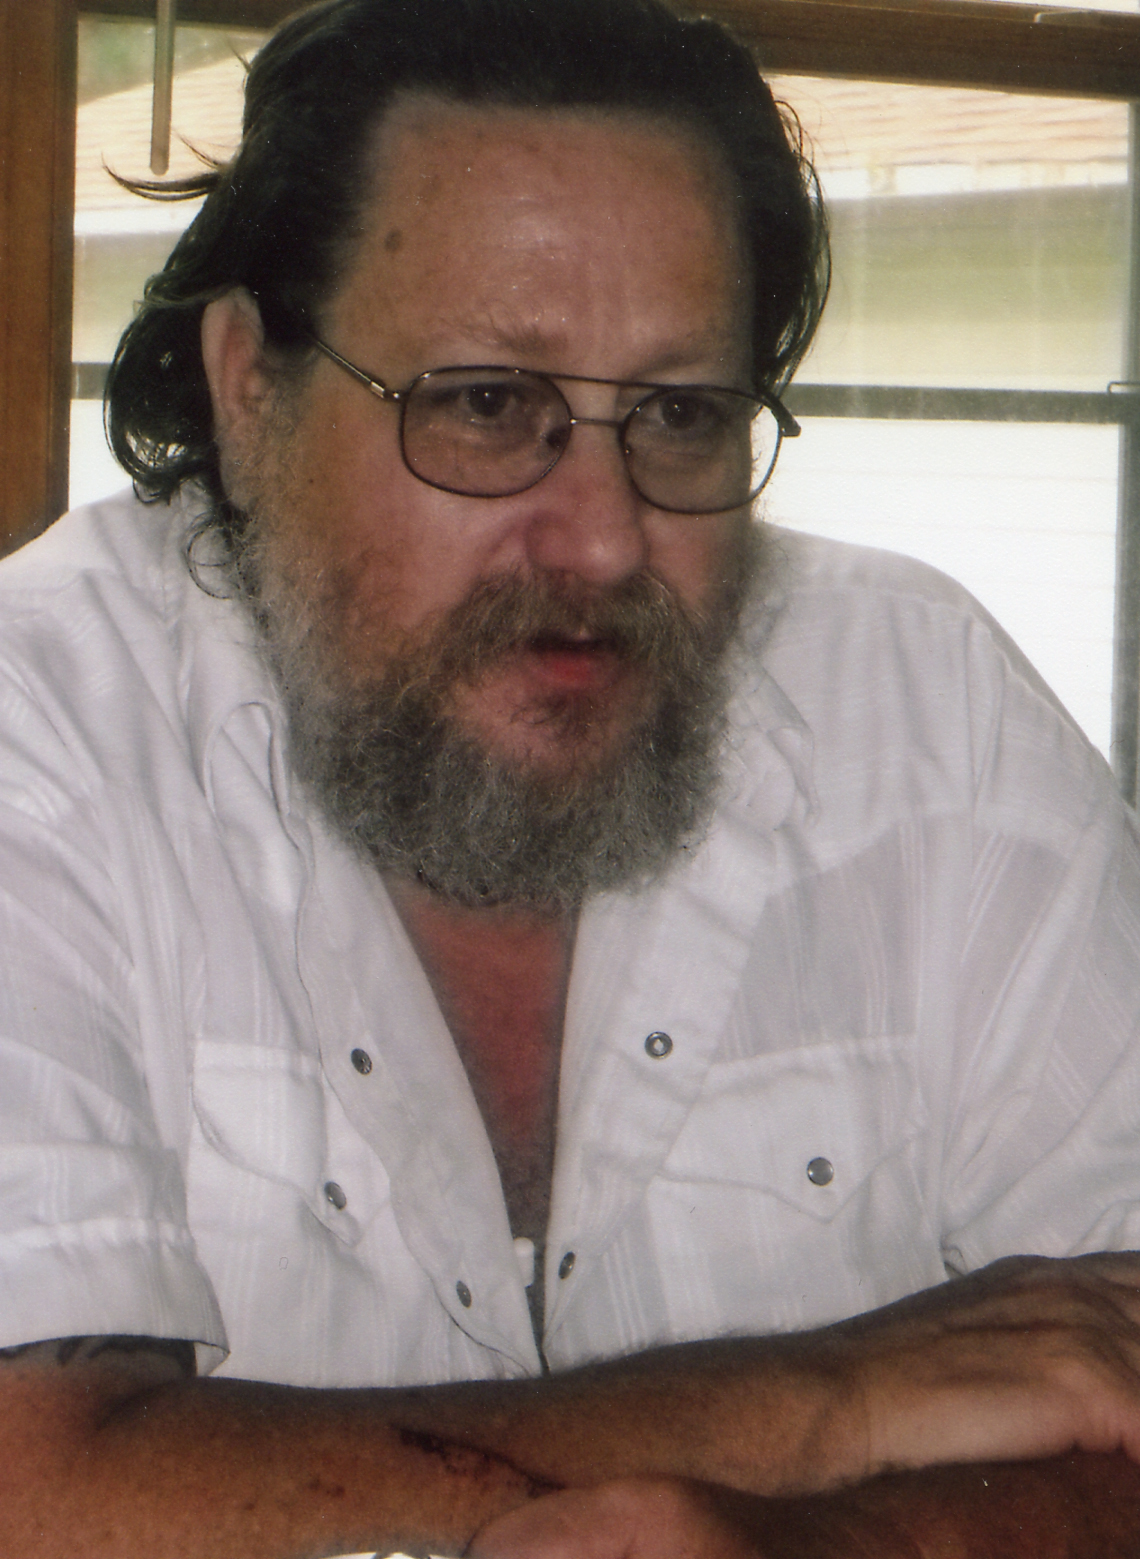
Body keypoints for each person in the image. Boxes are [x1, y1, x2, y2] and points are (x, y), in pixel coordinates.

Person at [3, 0, 1140, 1553]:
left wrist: (837, 1544)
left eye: (680, 417)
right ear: (248, 387)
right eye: (487, 406)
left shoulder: (930, 717)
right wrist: (835, 1399)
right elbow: (36, 1491)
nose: (604, 540)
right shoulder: (38, 734)